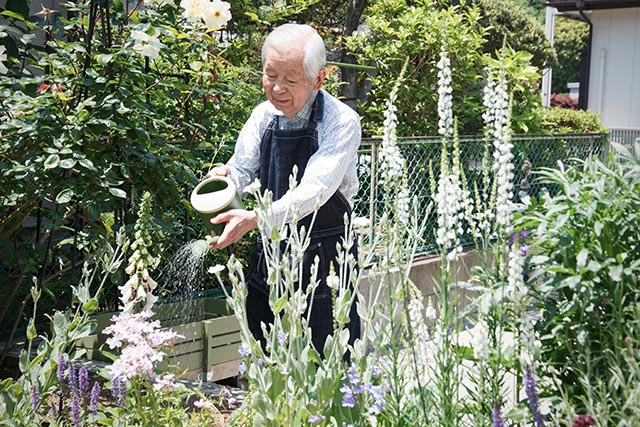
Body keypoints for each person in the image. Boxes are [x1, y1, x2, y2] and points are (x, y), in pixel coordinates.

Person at [206, 23, 361, 355]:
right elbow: (242, 169)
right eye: (270, 75)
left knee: (330, 360)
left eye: (291, 80)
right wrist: (225, 181)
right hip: (272, 253)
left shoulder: (341, 122)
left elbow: (315, 191)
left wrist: (256, 218)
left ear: (318, 79)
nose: (277, 89)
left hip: (328, 260)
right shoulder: (263, 116)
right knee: (265, 358)